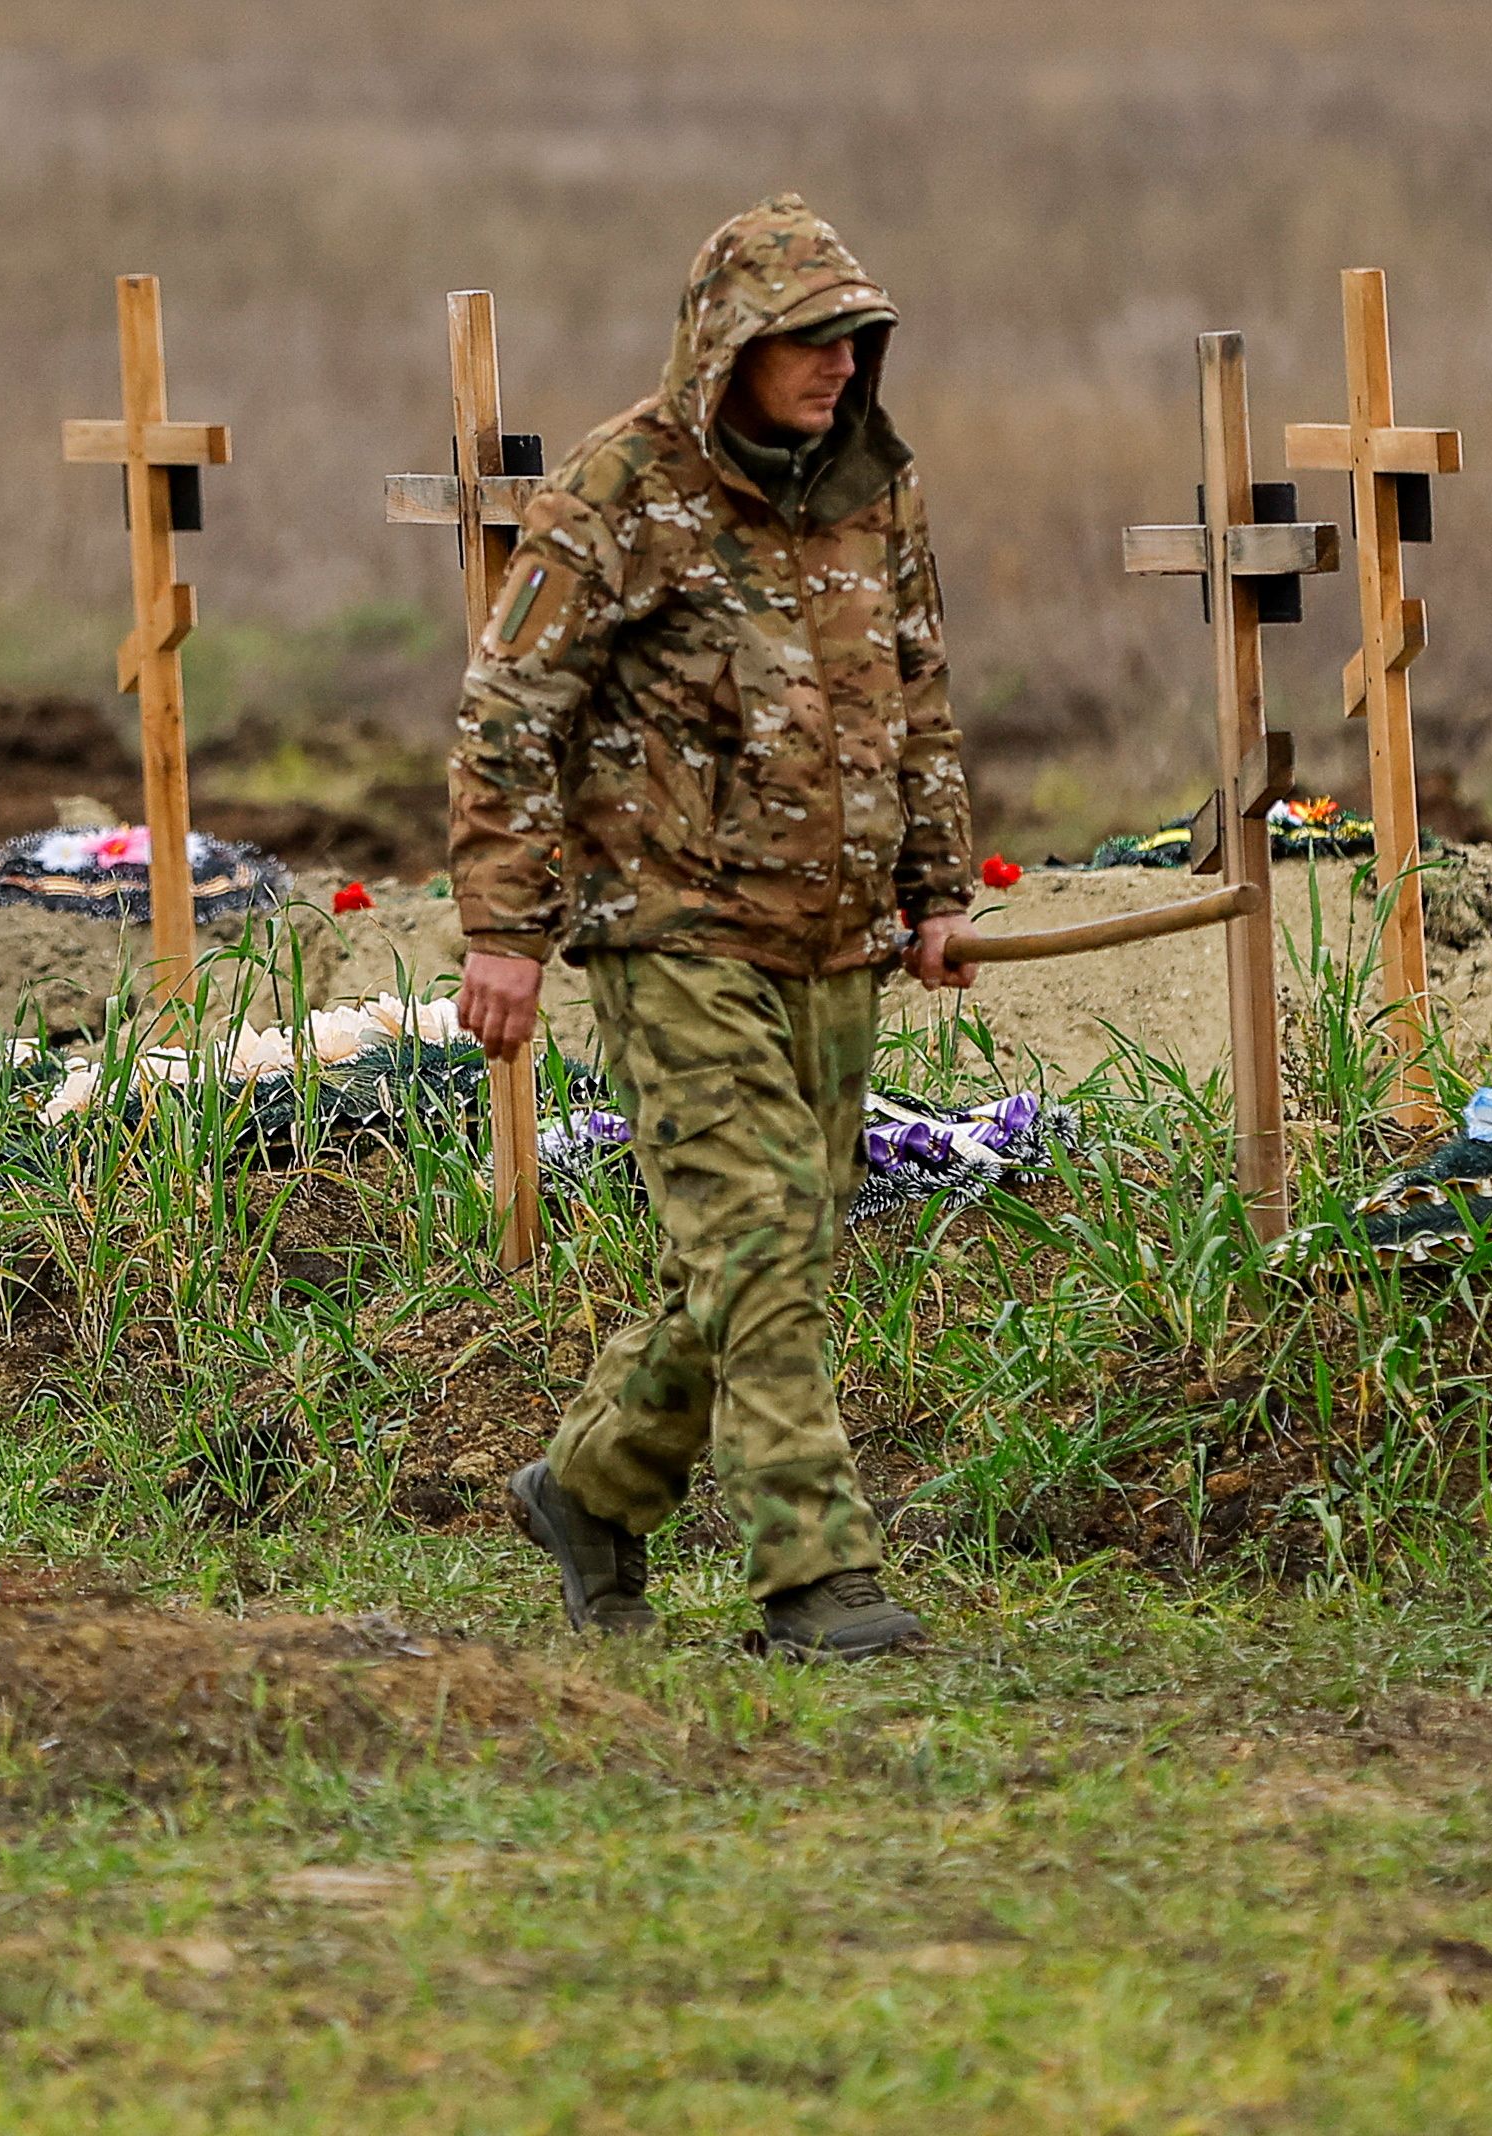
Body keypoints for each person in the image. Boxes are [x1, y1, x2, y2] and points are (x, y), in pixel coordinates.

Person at [448, 193, 973, 1659]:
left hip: (831, 938)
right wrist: (505, 930)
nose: (838, 367)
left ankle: (591, 1488)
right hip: (667, 931)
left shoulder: (879, 490)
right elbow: (509, 715)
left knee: (771, 1245)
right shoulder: (621, 487)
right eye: (807, 340)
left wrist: (936, 891)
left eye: (856, 340)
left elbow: (916, 698)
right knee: (755, 1240)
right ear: (727, 346)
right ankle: (817, 1577)